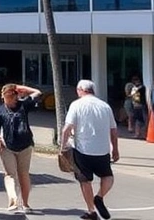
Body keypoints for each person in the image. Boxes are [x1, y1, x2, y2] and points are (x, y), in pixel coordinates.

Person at [61, 79, 119, 220]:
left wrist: (62, 147)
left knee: (84, 180)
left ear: (81, 90)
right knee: (108, 177)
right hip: (102, 150)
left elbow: (67, 129)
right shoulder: (105, 106)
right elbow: (114, 130)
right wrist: (115, 149)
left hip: (83, 149)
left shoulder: (76, 105)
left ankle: (91, 210)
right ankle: (99, 196)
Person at [0, 83, 42, 212]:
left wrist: (22, 88)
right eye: (5, 97)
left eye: (11, 97)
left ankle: (25, 204)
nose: (7, 100)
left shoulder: (23, 105)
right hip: (7, 147)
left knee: (23, 174)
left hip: (25, 146)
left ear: (16, 96)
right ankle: (13, 200)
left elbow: (38, 93)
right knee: (10, 174)